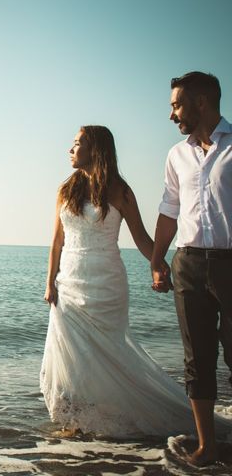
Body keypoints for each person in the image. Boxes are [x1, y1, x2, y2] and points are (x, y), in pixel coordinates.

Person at [39, 125, 229, 439]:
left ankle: (112, 416)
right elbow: (56, 241)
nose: (70, 149)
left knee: (109, 354)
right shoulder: (66, 189)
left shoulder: (120, 190)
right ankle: (78, 421)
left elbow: (141, 238)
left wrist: (158, 265)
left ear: (95, 149)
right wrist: (50, 283)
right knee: (72, 356)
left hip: (106, 282)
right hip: (69, 283)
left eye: (76, 143)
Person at [151, 71, 232, 466]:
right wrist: (157, 258)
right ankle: (207, 447)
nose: (171, 114)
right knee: (197, 359)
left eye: (176, 105)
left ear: (201, 102)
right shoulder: (176, 155)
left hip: (231, 266)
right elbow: (170, 210)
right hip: (188, 264)